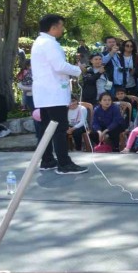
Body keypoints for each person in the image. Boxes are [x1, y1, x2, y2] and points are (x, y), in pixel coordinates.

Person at [31, 14, 87, 174]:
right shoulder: (50, 43)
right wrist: (78, 69)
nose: (63, 29)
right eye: (61, 26)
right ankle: (64, 163)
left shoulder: (39, 41)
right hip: (54, 94)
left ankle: (47, 160)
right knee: (60, 129)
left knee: (46, 128)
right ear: (53, 27)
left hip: (45, 94)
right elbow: (60, 66)